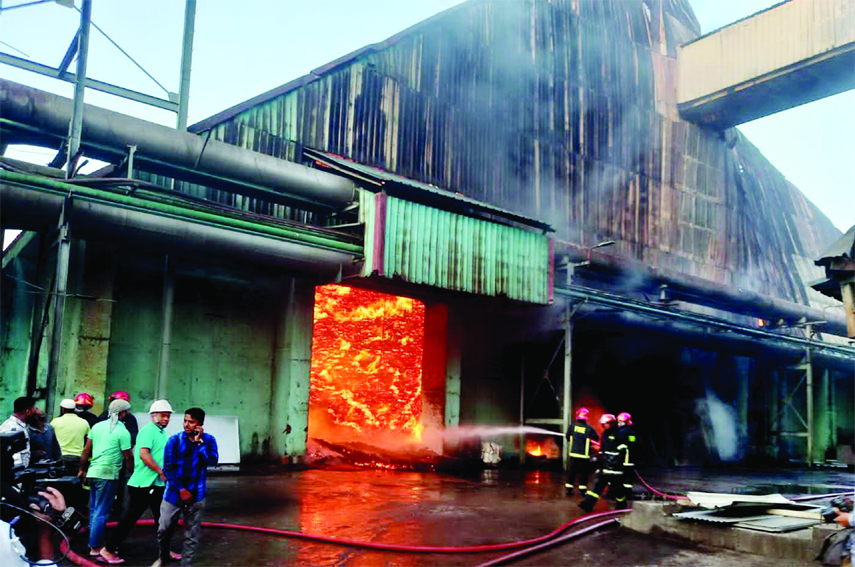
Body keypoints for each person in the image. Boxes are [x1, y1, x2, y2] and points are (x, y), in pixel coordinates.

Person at [104, 400, 181, 563]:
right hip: (143, 485)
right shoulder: (148, 431)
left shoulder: (161, 432)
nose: (166, 419)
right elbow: (144, 455)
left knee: (163, 520)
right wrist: (160, 471)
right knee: (129, 519)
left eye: (168, 416)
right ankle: (108, 549)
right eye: (163, 415)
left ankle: (165, 551)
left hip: (156, 484)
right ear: (153, 416)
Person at [155, 407, 219, 567]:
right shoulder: (174, 441)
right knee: (163, 529)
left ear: (200, 424)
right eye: (185, 421)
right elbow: (168, 468)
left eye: (191, 422)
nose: (186, 424)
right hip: (173, 494)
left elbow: (212, 461)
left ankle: (186, 564)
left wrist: (199, 444)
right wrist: (181, 490)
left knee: (191, 534)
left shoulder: (209, 440)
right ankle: (163, 557)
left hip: (197, 494)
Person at [78, 398, 133, 563]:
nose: (129, 414)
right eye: (127, 411)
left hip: (93, 472)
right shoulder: (122, 431)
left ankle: (93, 542)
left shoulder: (97, 426)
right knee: (102, 512)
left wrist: (83, 469)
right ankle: (95, 547)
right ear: (122, 413)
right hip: (108, 474)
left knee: (95, 509)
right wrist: (132, 472)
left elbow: (86, 451)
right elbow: (128, 457)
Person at [579, 413, 629, 512]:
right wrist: (598, 461)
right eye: (603, 424)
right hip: (605, 467)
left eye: (605, 424)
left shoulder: (620, 434)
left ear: (612, 423)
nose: (603, 426)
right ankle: (587, 504)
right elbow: (603, 450)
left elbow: (622, 452)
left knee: (618, 490)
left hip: (615, 469)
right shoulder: (605, 434)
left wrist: (616, 464)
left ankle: (622, 505)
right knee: (597, 486)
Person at [564, 407, 599, 496]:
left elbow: (567, 437)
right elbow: (596, 438)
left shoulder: (572, 426)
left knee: (572, 472)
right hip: (584, 455)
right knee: (584, 473)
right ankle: (582, 490)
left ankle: (569, 490)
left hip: (573, 453)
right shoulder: (589, 428)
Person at [50, 399, 91, 476]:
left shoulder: (55, 422)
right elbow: (88, 440)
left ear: (63, 409)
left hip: (60, 457)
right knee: (75, 481)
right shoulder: (84, 422)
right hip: (78, 458)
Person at [0, 397, 36, 469]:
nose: (35, 412)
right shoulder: (11, 428)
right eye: (33, 409)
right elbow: (13, 455)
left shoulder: (20, 426)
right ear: (27, 411)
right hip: (15, 471)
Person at [616, 412, 637, 506]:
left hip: (626, 459)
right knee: (625, 477)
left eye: (620, 421)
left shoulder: (628, 432)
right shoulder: (623, 431)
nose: (619, 423)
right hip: (624, 459)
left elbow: (631, 445)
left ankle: (626, 493)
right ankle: (624, 492)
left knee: (626, 477)